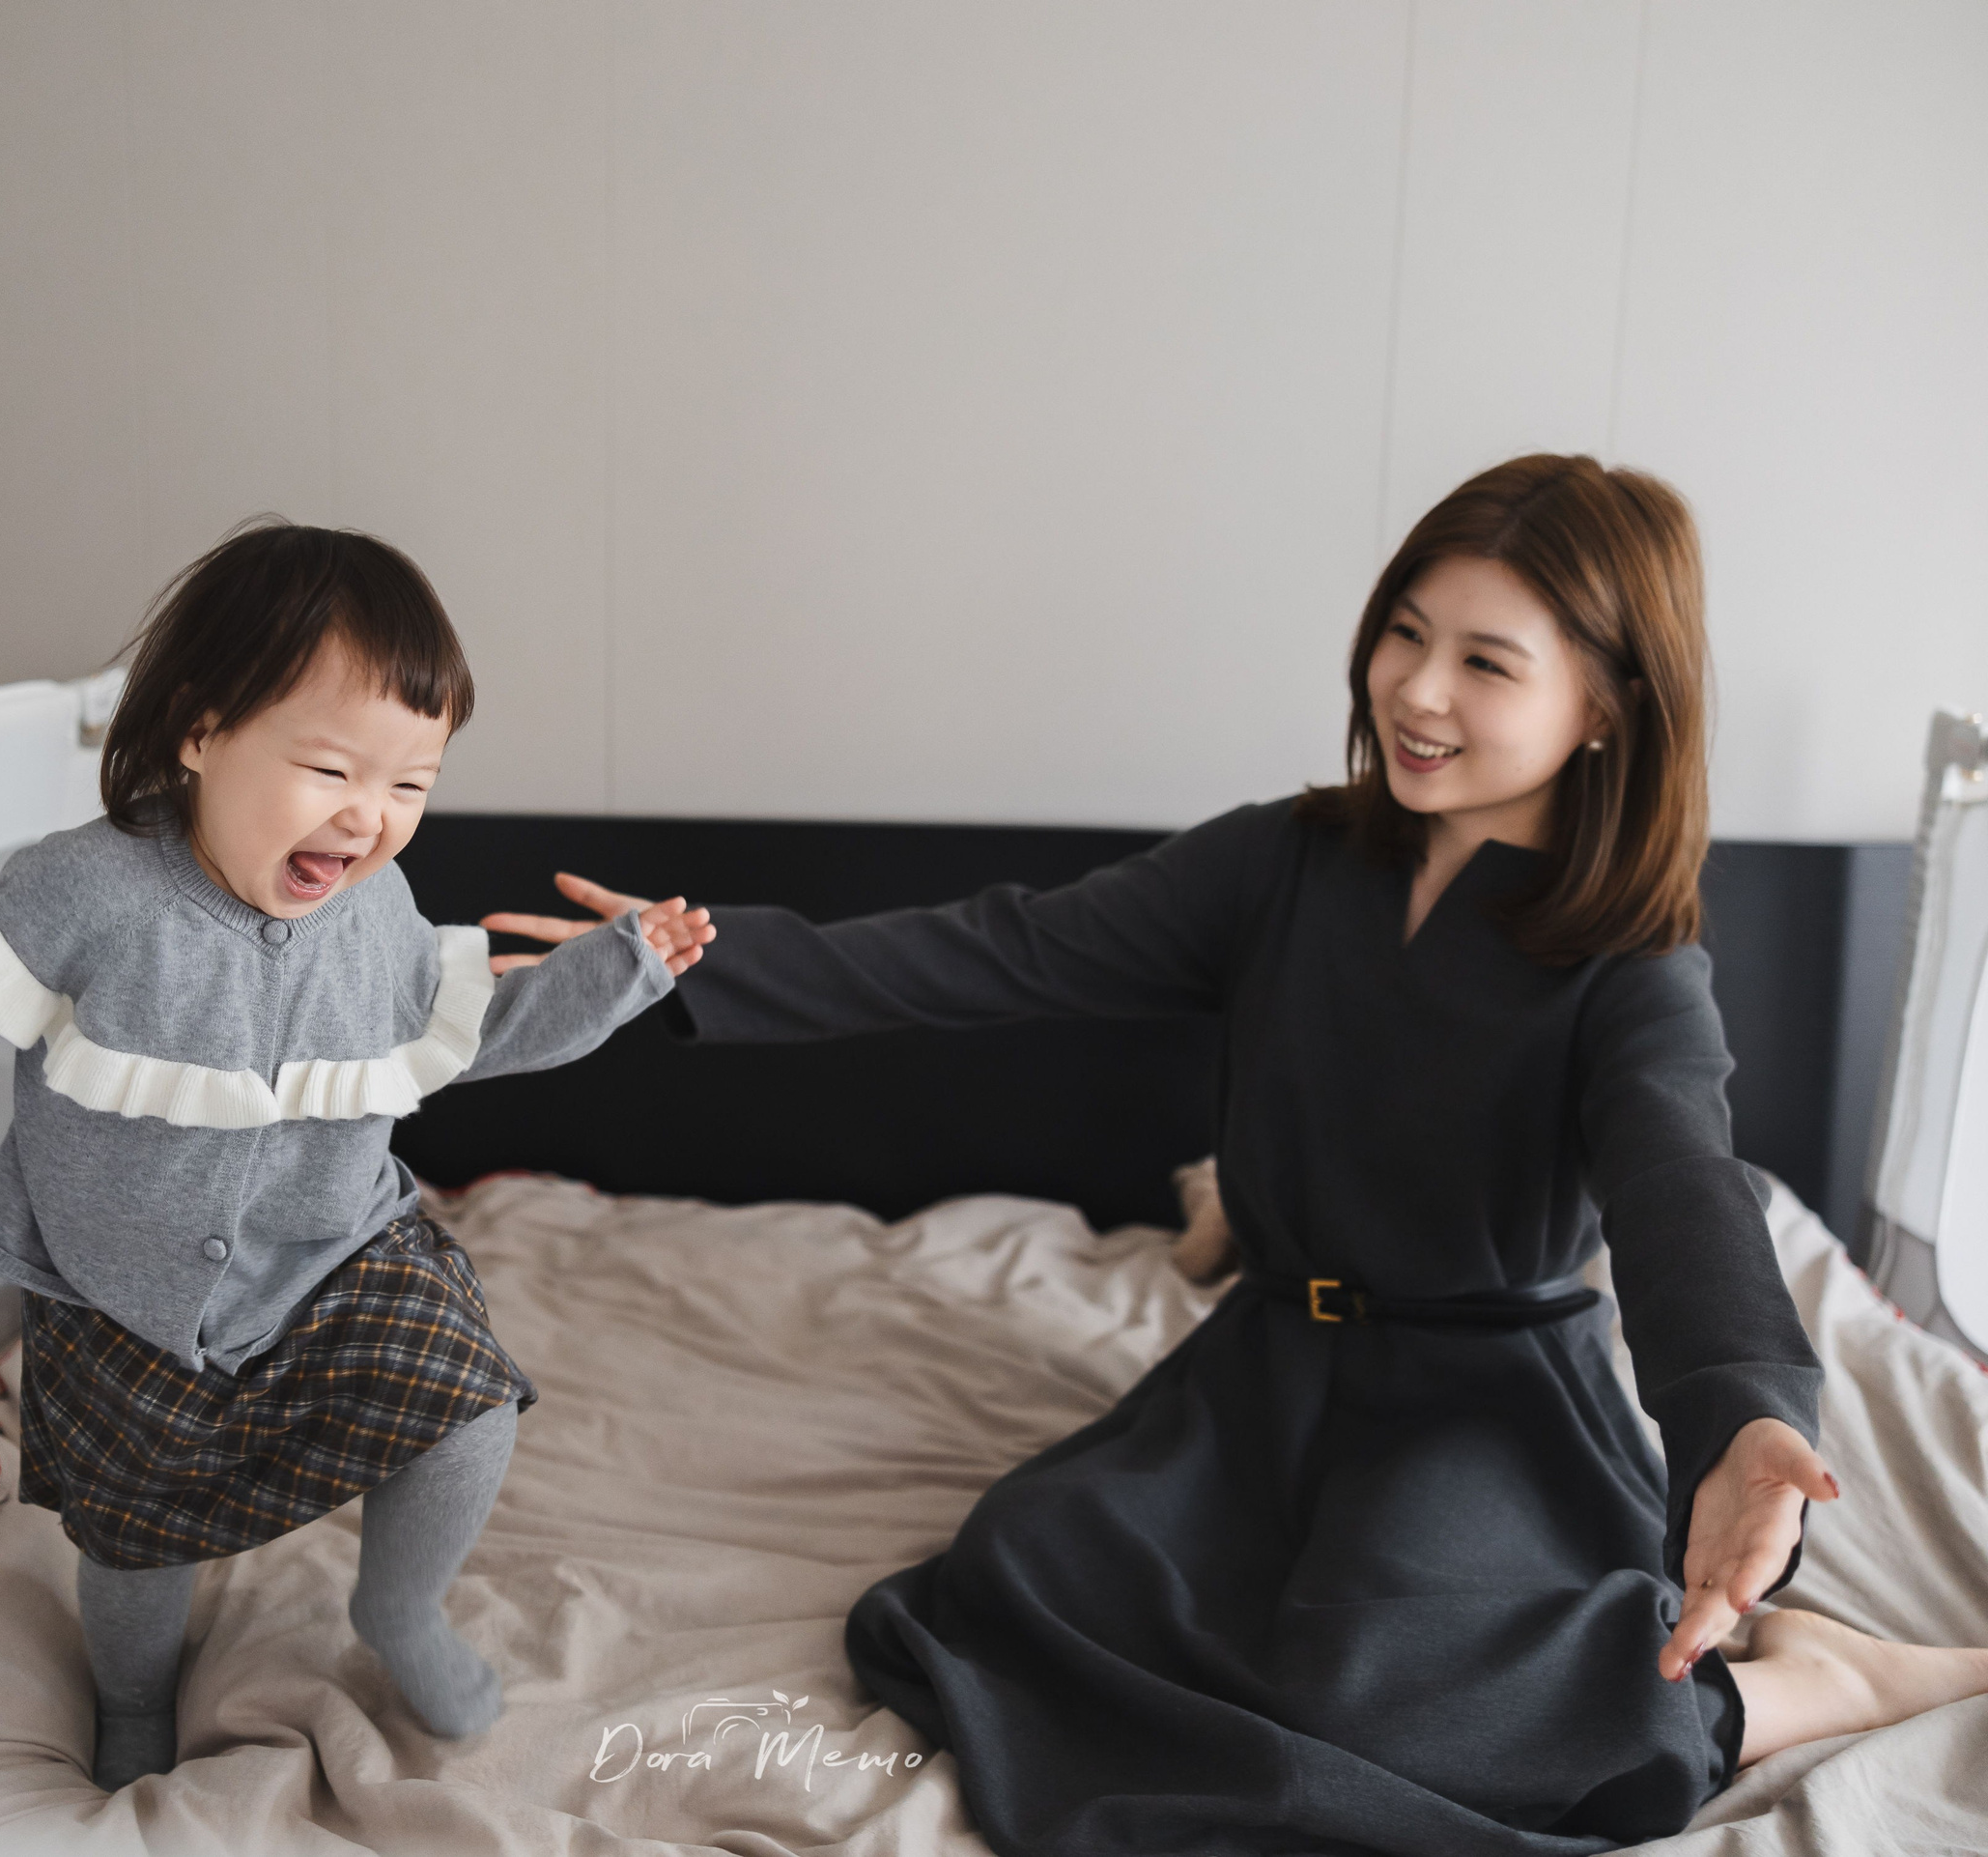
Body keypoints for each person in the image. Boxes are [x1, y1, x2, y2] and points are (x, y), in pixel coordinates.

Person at [483, 456, 1988, 1855]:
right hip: (1268, 1365)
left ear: (1603, 707)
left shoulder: (1629, 959)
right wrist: (685, 966)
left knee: (1384, 1701)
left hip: (1483, 1401)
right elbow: (1000, 949)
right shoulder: (1286, 860)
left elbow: (1683, 1185)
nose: (1415, 687)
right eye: (1407, 632)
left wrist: (1742, 1416)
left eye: (1485, 660)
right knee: (1011, 1584)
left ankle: (1802, 1690)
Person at [0, 521, 717, 1791]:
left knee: (467, 1404)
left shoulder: (376, 909)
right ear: (200, 729)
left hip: (336, 1251)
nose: (369, 816)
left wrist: (618, 972)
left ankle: (398, 1609)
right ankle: (132, 1696)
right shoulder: (89, 893)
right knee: (137, 1538)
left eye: (410, 785)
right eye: (332, 767)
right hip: (121, 1289)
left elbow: (466, 1035)